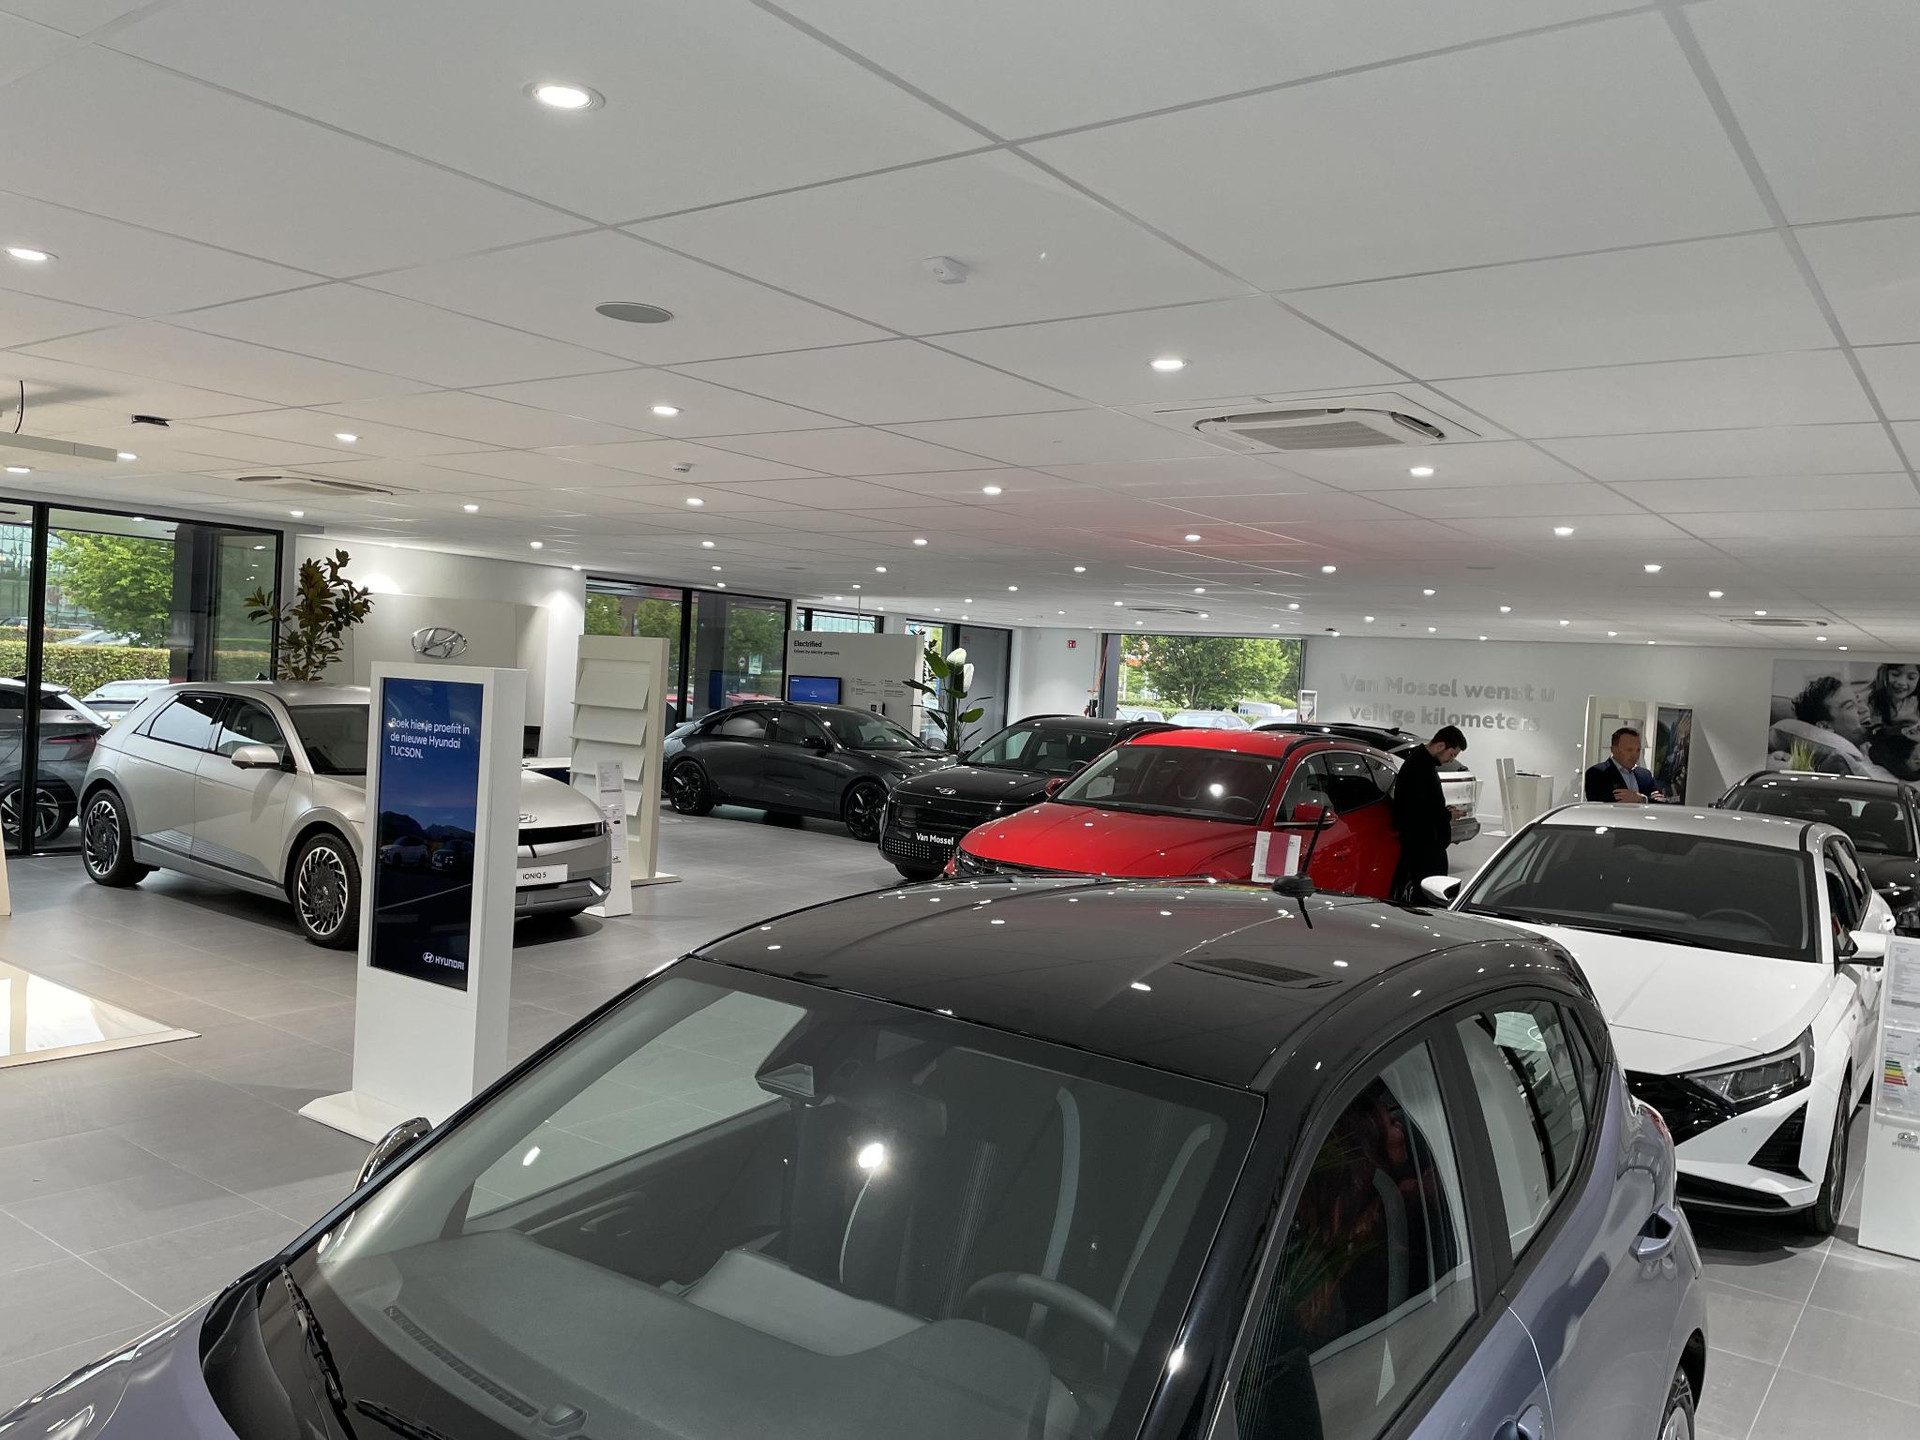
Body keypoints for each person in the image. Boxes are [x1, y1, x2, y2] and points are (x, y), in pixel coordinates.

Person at [1390, 725, 1465, 903]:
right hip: (1423, 848)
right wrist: (1448, 816)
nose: (1451, 760)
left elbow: (1425, 805)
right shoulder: (1419, 767)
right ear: (1441, 746)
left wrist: (1444, 812)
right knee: (1428, 897)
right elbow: (1420, 812)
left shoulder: (1423, 764)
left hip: (1426, 845)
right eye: (1452, 754)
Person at [1584, 727, 1665, 803]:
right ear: (1614, 750)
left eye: (1638, 750)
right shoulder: (1597, 773)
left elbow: (1660, 802)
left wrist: (1642, 799)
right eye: (1629, 750)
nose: (1634, 755)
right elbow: (1600, 803)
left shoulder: (1645, 775)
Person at [1868, 664, 1920, 731]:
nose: (1901, 682)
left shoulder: (1915, 702)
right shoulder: (1869, 702)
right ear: (1883, 674)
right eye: (1895, 674)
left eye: (1911, 677)